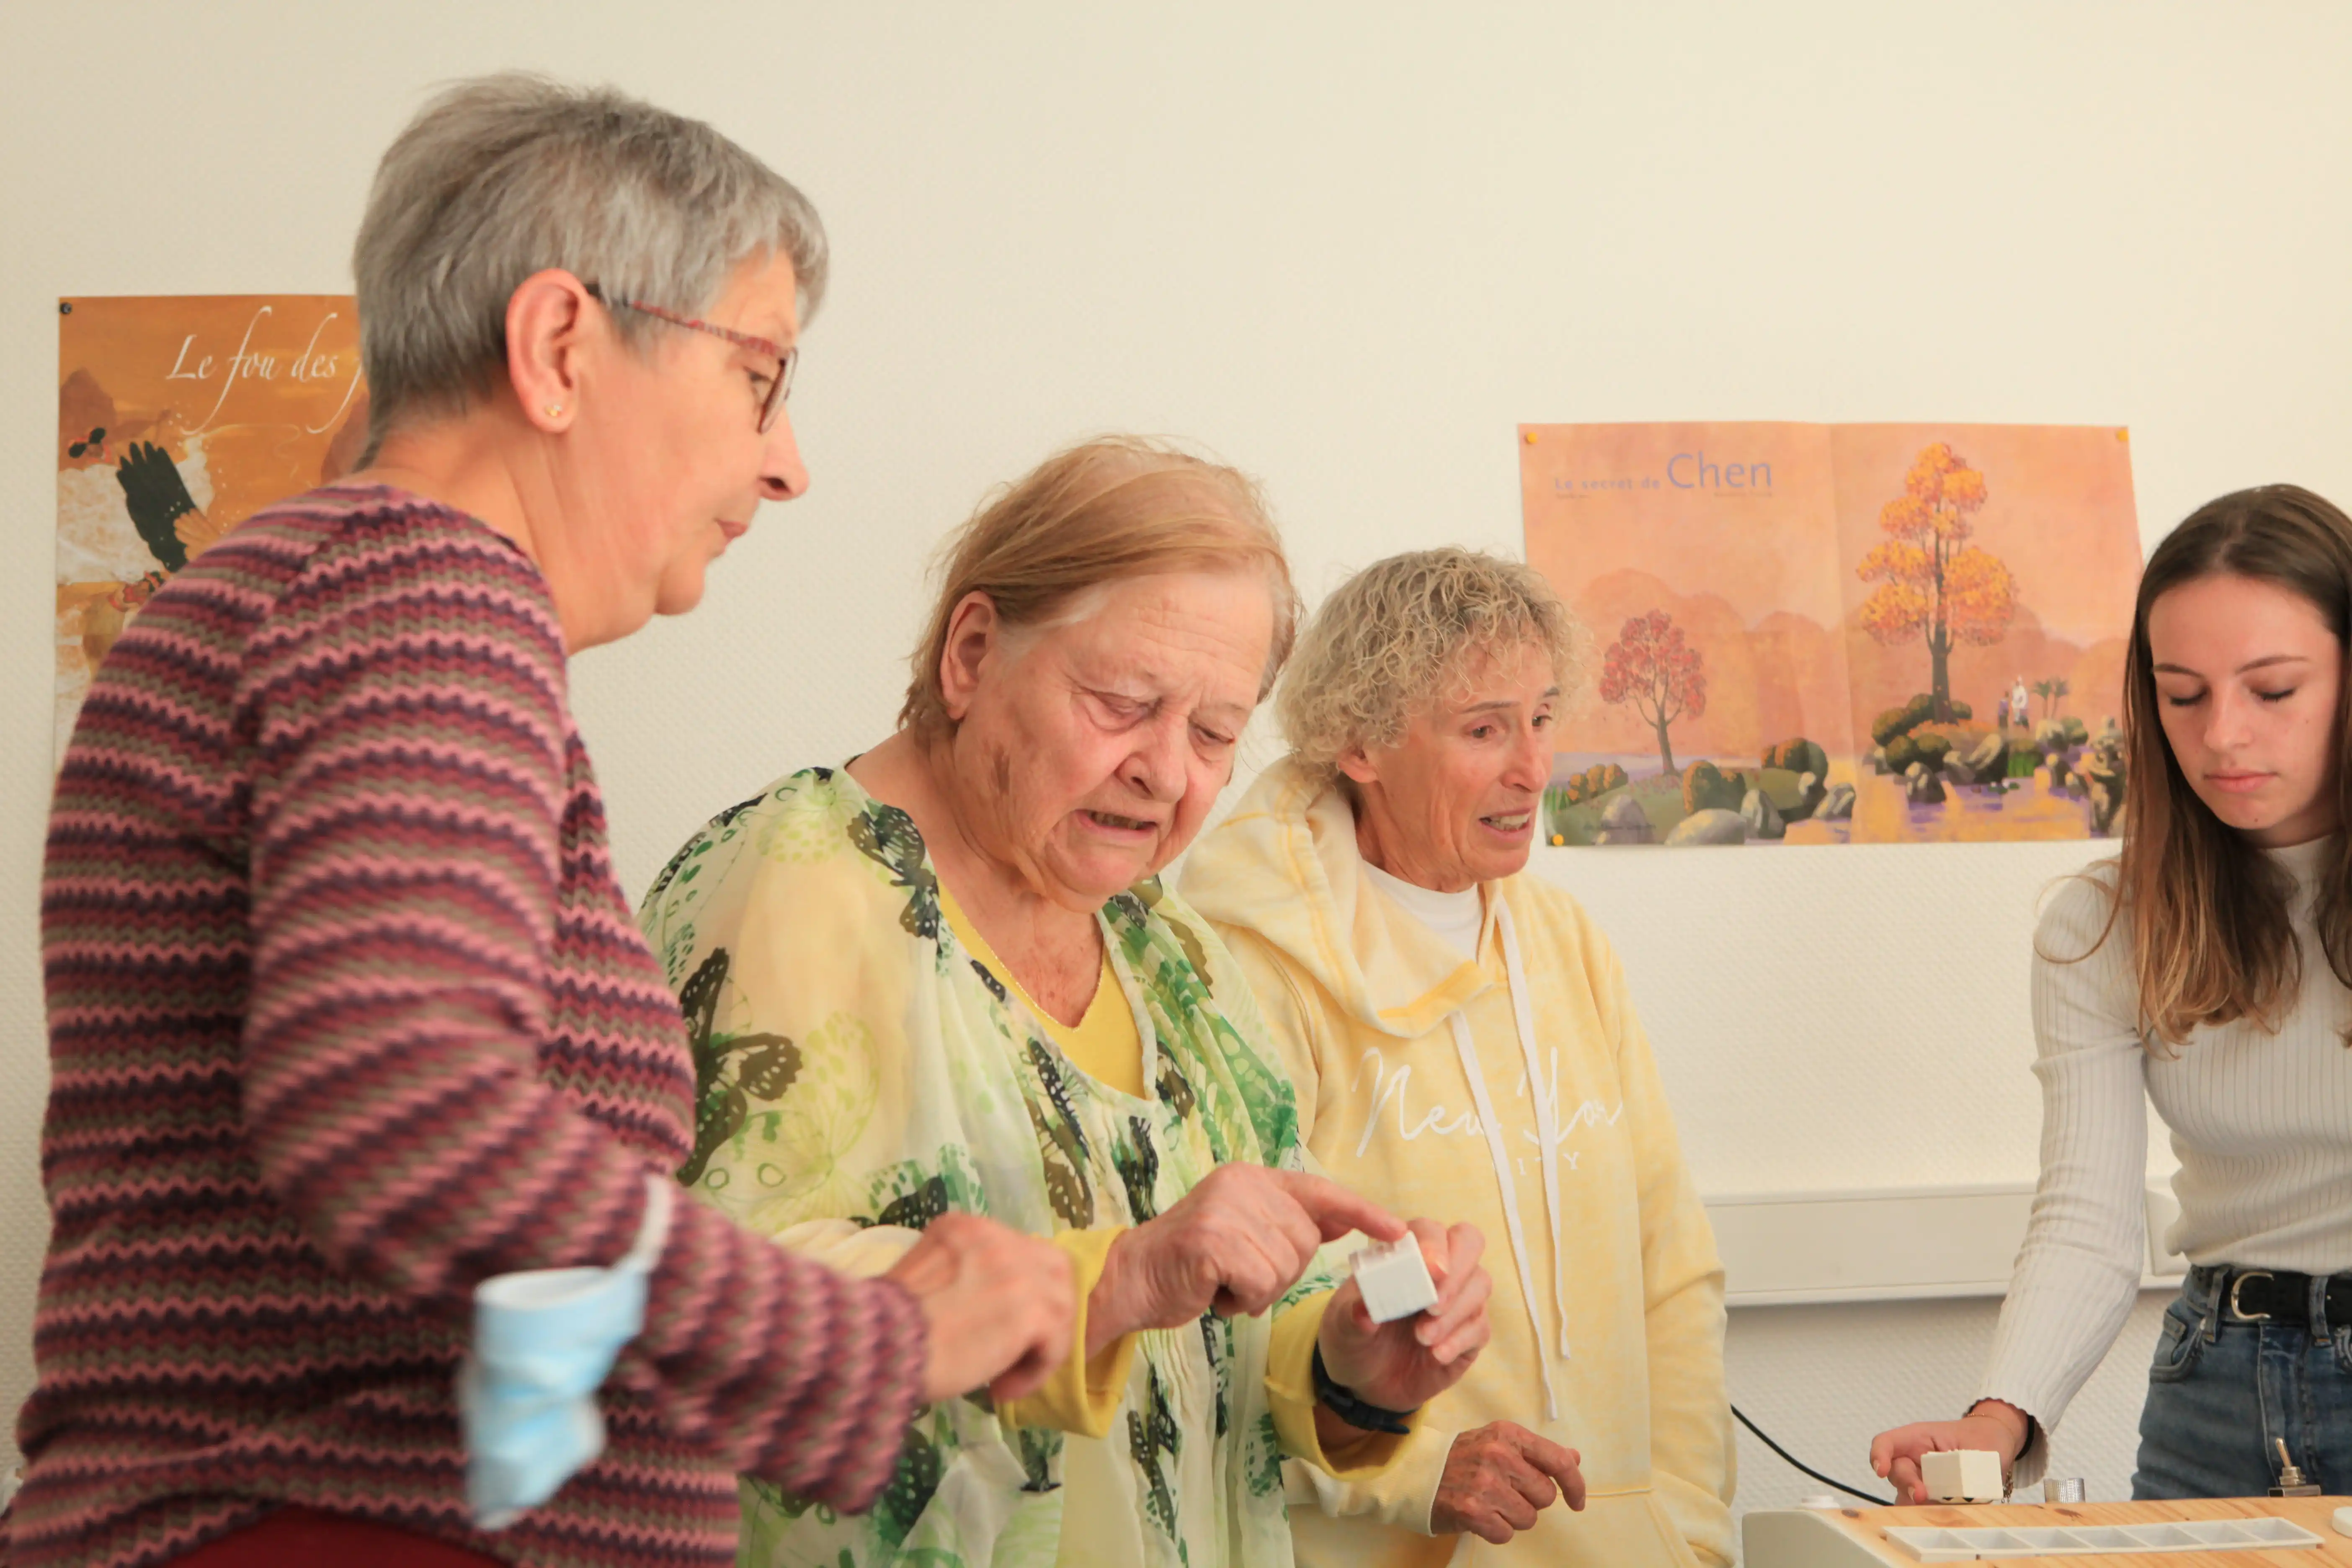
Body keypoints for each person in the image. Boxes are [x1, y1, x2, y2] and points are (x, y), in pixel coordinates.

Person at [8, 75, 1074, 1568]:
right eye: (760, 376)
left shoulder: (334, 593)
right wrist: (867, 1335)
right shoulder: (418, 588)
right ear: (561, 345)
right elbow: (404, 1107)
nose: (787, 460)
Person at [638, 438, 1496, 1568]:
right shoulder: (793, 886)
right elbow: (692, 1314)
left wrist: (1353, 1371)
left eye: (1214, 734)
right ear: (973, 653)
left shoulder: (1170, 951)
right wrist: (1117, 1279)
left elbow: (1237, 1334)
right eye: (1122, 704)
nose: (1166, 771)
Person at [1183, 548, 1735, 1567]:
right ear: (1360, 742)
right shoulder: (1253, 965)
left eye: (1543, 718)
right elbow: (1232, 1316)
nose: (1534, 768)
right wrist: (1417, 1468)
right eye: (1485, 730)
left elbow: (1671, 1261)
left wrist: (1688, 1521)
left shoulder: (1565, 944)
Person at [1871, 485, 2352, 1502]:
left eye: (2272, 691)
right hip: (2215, 1387)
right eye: (2184, 695)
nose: (2223, 736)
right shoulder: (2101, 925)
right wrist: (1999, 1420)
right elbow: (2088, 1214)